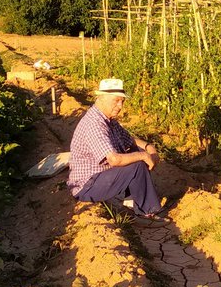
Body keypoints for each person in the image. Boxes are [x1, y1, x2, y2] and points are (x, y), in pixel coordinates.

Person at [68, 78, 166, 218]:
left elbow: (130, 141)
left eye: (122, 101)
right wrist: (144, 156)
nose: (120, 106)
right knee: (137, 164)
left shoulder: (109, 120)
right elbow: (114, 160)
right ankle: (149, 213)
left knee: (137, 153)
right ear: (101, 98)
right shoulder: (94, 123)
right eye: (116, 100)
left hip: (99, 178)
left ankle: (132, 201)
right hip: (86, 187)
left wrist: (149, 148)